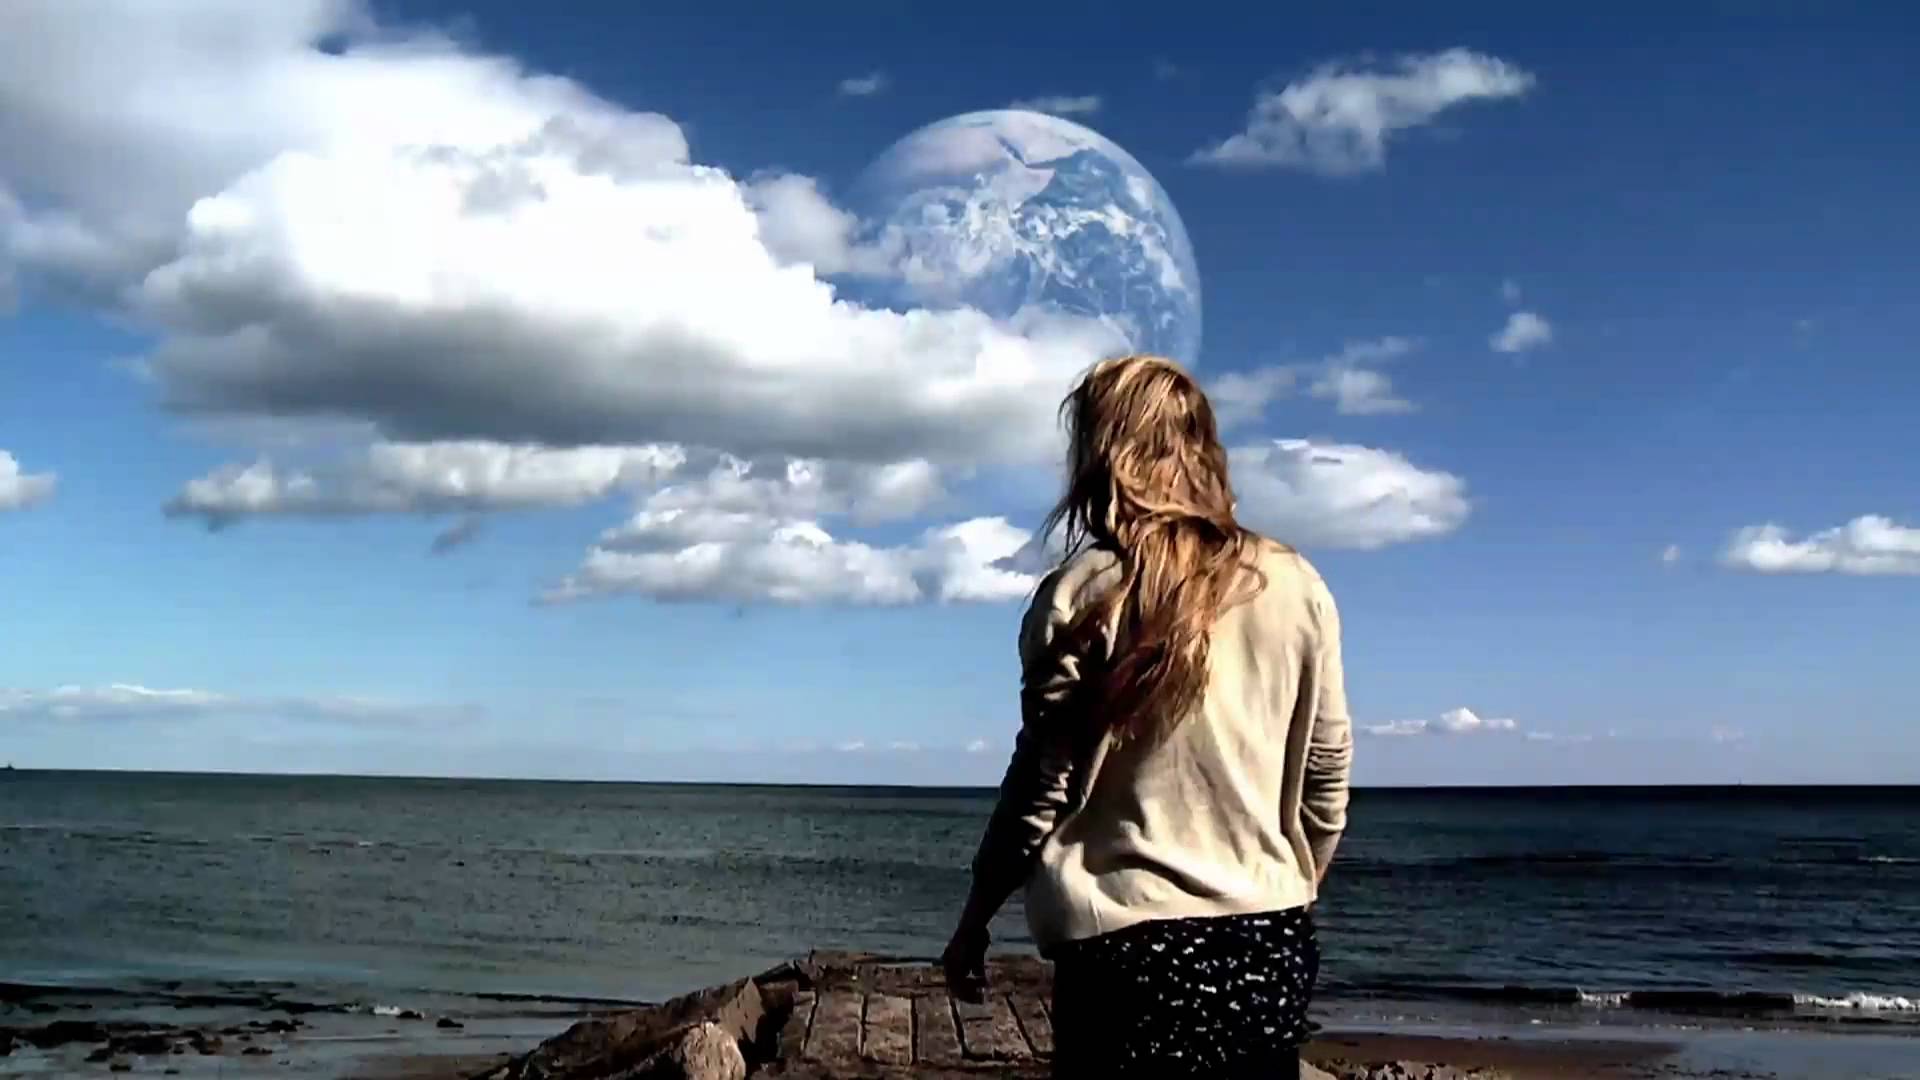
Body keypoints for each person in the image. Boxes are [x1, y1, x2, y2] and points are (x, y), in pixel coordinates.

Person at [942, 354, 1354, 1079]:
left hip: (1124, 951)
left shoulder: (1082, 595)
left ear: (1101, 452)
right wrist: (1287, 886)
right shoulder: (1295, 584)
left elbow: (1043, 791)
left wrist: (976, 917)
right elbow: (1326, 778)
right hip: (1268, 943)